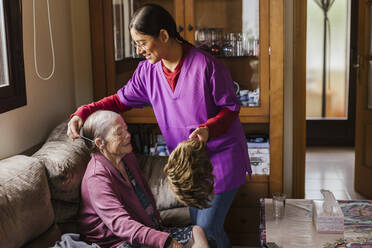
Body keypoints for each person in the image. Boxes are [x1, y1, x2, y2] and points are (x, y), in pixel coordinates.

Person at [67, 4, 251, 247]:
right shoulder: (147, 72)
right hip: (189, 166)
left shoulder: (207, 65)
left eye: (142, 42)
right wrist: (84, 111)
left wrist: (208, 129)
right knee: (201, 229)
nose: (139, 50)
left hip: (220, 160)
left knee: (208, 231)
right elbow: (118, 101)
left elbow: (230, 108)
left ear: (164, 36)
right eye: (136, 44)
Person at [78, 110, 209, 248]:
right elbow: (121, 225)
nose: (128, 135)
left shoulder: (127, 156)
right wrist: (166, 242)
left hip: (142, 230)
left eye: (125, 129)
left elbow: (145, 197)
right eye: (119, 133)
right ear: (100, 143)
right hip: (115, 242)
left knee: (196, 232)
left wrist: (158, 228)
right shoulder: (97, 177)